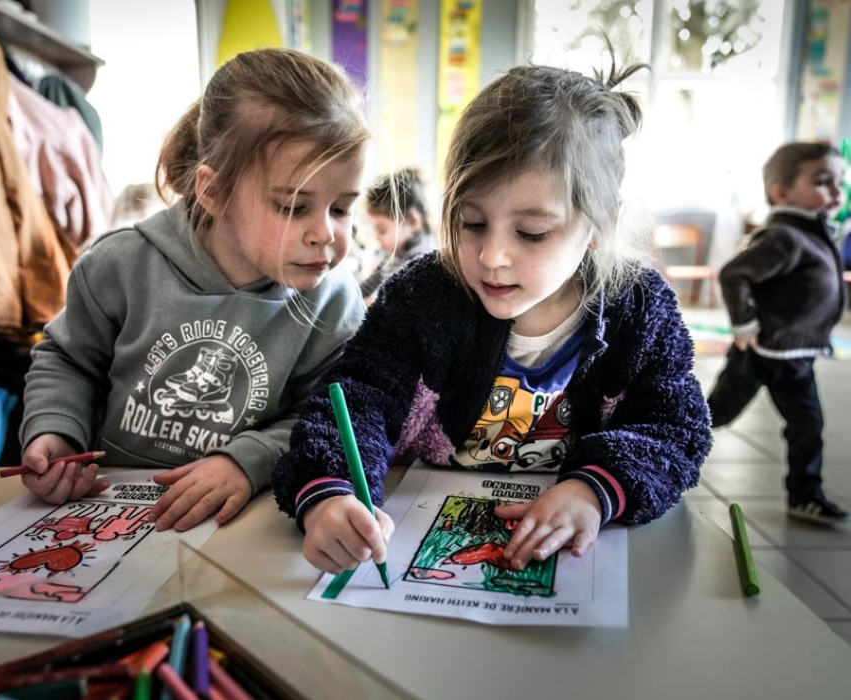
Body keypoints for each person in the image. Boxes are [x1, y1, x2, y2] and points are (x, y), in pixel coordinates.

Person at [271, 61, 712, 577]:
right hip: (420, 532)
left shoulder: (640, 308)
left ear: (600, 224)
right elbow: (355, 399)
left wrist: (593, 491)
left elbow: (675, 430)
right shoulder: (423, 296)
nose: (491, 257)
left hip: (575, 556)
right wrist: (330, 492)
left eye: (531, 232)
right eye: (471, 222)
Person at [19, 48, 369, 532]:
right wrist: (57, 430)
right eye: (293, 206)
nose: (325, 233)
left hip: (241, 523)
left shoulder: (334, 303)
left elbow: (327, 421)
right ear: (213, 191)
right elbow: (68, 360)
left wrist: (246, 461)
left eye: (342, 209)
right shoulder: (120, 264)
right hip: (104, 510)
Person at [707, 142, 849, 525]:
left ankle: (805, 495)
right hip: (760, 352)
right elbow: (735, 274)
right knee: (715, 413)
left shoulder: (812, 233)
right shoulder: (784, 237)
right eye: (823, 182)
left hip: (792, 355)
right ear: (781, 193)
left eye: (840, 182)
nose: (836, 192)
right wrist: (744, 324)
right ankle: (653, 449)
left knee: (808, 425)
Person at [358, 168, 436, 300]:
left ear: (412, 221)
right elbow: (367, 287)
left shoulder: (424, 263)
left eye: (382, 230)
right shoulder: (394, 254)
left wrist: (372, 305)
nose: (376, 236)